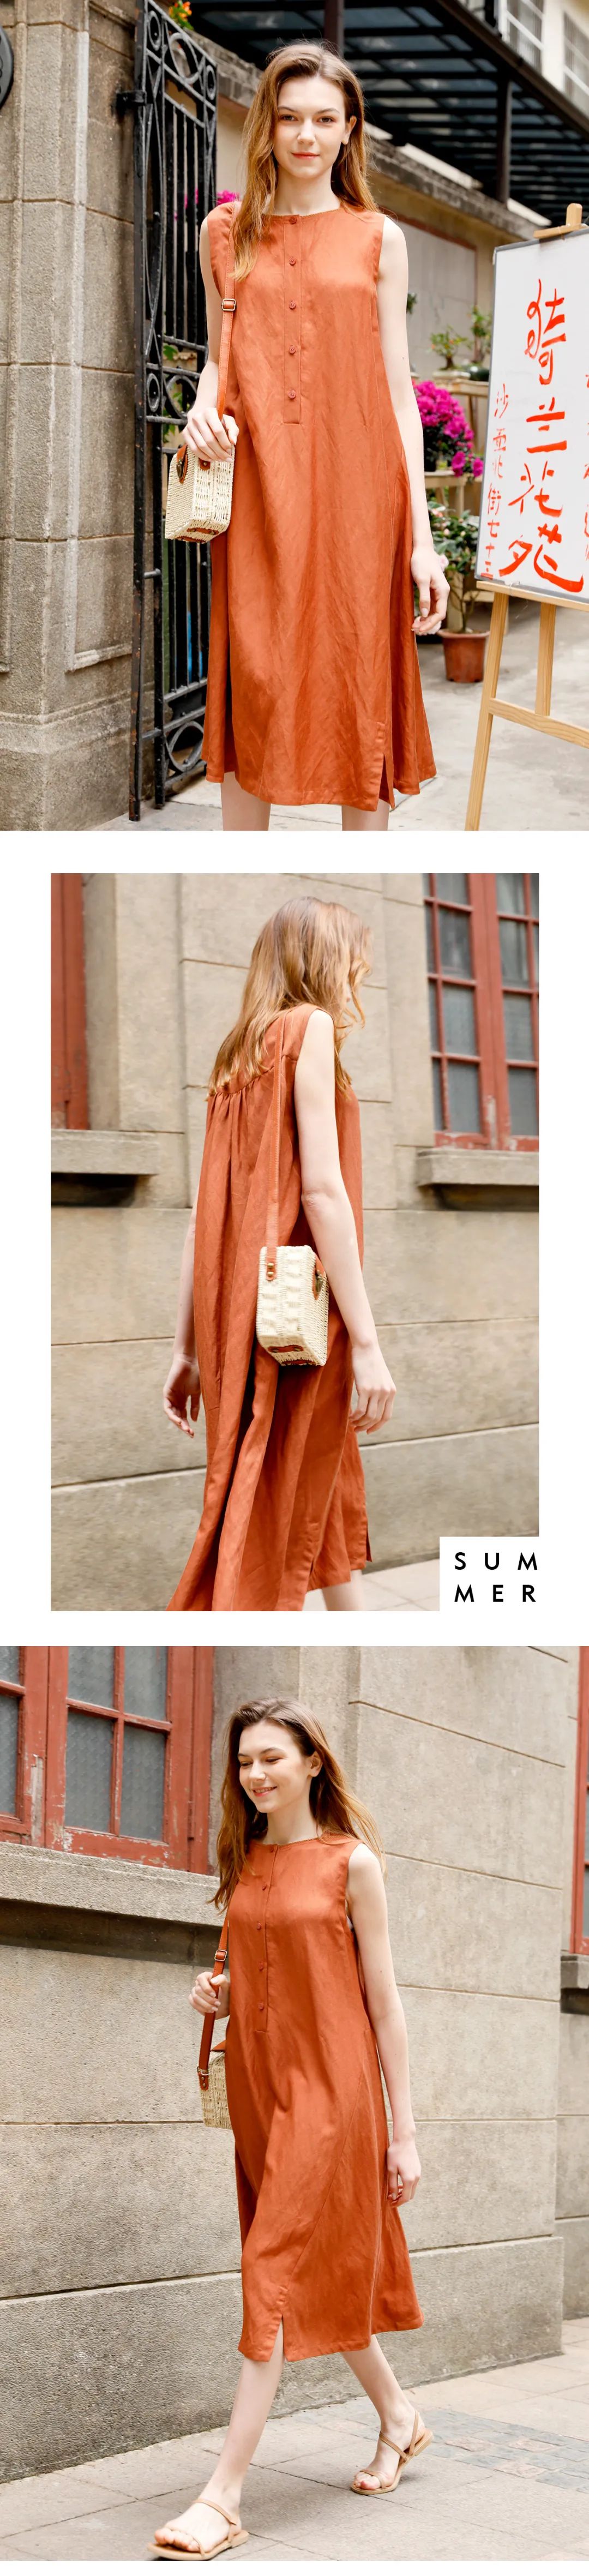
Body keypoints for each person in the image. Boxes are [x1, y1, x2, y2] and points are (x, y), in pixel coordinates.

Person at [149, 1698, 430, 2562]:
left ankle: (222, 2498)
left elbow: (384, 2005)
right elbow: (266, 1972)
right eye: (244, 1762)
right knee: (305, 2270)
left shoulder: (353, 1864)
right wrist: (219, 1992)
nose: (255, 1775)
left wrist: (404, 2132)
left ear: (313, 1761)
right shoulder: (247, 1861)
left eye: (272, 1757)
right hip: (261, 2092)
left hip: (332, 2096)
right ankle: (400, 2416)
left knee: (269, 2269)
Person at [183, 39, 448, 829]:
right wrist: (200, 404)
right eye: (291, 117)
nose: (307, 135)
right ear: (266, 125)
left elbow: (399, 392)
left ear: (349, 129)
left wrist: (423, 542)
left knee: (358, 682)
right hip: (259, 493)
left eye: (325, 119)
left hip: (360, 498)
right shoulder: (224, 233)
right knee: (256, 680)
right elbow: (218, 357)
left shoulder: (379, 237)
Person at [163, 896, 395, 1612]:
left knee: (317, 1485)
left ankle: (355, 1636)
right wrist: (368, 1344)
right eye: (352, 958)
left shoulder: (237, 1055)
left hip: (237, 1312)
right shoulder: (308, 1028)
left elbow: (203, 1219)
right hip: (294, 1316)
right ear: (321, 959)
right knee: (268, 1500)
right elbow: (322, 1192)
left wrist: (187, 1349)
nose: (358, 973)